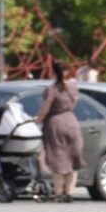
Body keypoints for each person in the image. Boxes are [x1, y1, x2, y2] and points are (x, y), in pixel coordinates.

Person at [34, 61, 85, 202]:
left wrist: (37, 119)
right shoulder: (73, 88)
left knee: (57, 160)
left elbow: (44, 110)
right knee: (72, 160)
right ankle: (69, 193)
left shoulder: (51, 89)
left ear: (52, 72)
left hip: (55, 124)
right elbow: (73, 104)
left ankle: (58, 193)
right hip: (72, 122)